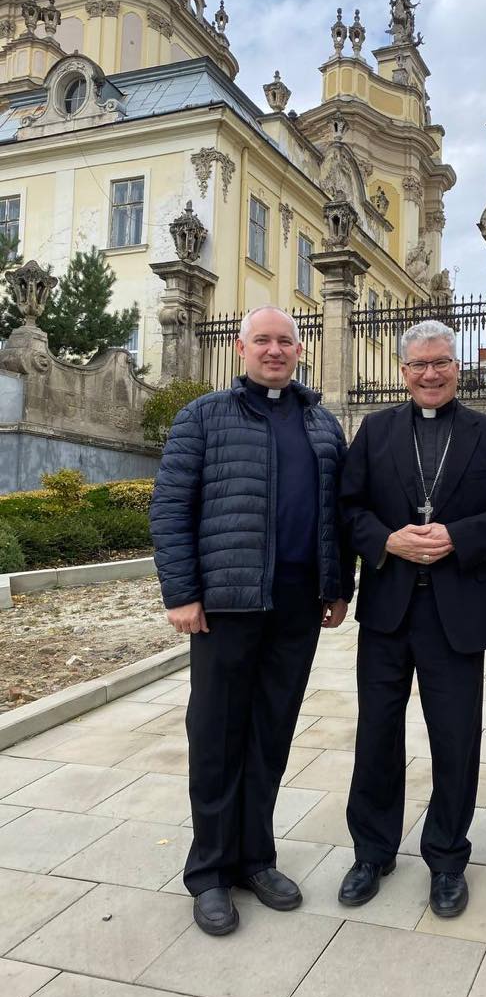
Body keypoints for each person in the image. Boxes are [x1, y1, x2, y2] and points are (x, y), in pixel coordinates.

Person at [150, 305, 353, 936]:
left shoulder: (322, 425)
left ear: (300, 350)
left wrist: (337, 586)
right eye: (262, 340)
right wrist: (181, 594)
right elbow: (170, 508)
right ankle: (210, 871)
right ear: (241, 349)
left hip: (294, 607)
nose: (274, 350)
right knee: (216, 738)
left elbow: (337, 517)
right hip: (225, 607)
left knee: (270, 736)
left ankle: (256, 858)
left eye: (284, 341)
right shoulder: (204, 417)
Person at [337, 320, 486, 918]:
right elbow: (346, 508)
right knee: (376, 733)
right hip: (388, 610)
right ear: (402, 372)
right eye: (419, 365)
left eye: (441, 362)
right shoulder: (374, 432)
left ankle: (447, 857)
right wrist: (387, 541)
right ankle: (372, 851)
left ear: (458, 367)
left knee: (456, 740)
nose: (431, 373)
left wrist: (459, 535)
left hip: (457, 611)